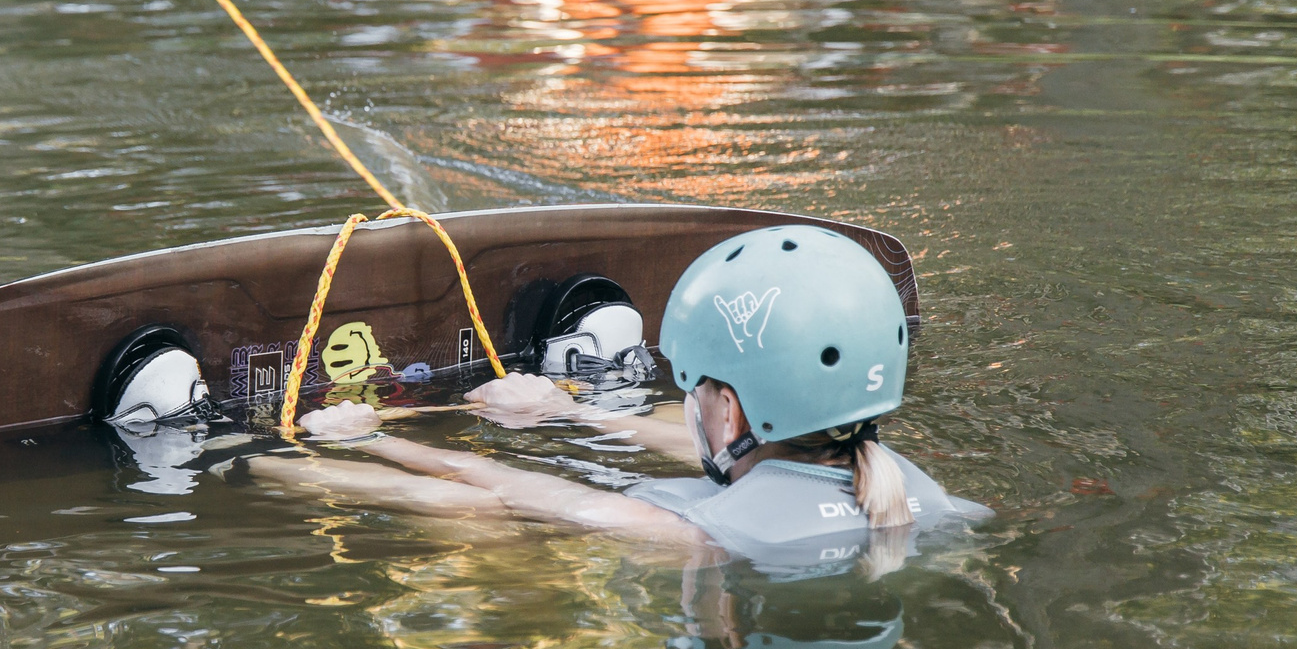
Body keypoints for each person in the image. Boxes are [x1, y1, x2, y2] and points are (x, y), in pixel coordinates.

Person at [245, 224, 988, 569]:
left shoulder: (706, 534)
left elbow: (506, 488)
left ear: (728, 411)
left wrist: (358, 438)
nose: (689, 402)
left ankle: (241, 461)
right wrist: (570, 411)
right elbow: (770, 461)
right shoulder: (924, 494)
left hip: (696, 564)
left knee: (478, 522)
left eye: (695, 387)